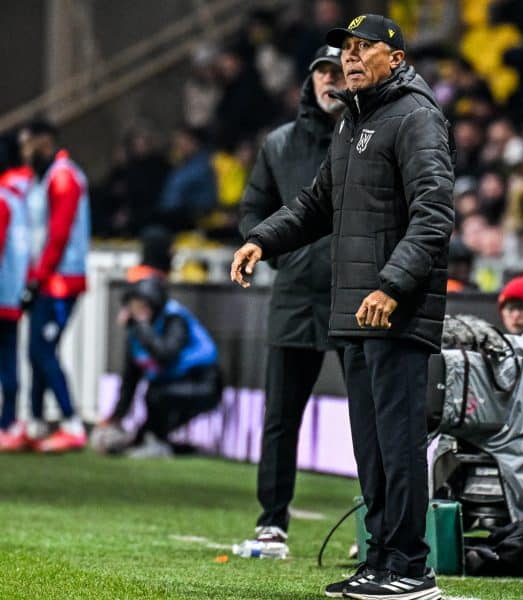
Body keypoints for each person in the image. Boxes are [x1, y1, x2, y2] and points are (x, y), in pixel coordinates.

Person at [231, 14, 452, 600]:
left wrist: (393, 285)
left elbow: (434, 215)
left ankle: (411, 568)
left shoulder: (415, 118)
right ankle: (380, 559)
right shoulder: (357, 122)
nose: (351, 59)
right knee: (372, 446)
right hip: (355, 310)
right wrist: (262, 240)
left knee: (399, 443)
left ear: (396, 59)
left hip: (392, 311)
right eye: (346, 50)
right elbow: (313, 205)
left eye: (364, 49)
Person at [233, 45, 346, 556]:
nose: (331, 80)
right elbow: (252, 209)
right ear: (309, 80)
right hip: (297, 295)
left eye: (340, 71)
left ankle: (379, 525)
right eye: (322, 70)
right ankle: (271, 521)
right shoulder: (279, 144)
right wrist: (283, 258)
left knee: (371, 418)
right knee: (281, 416)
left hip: (357, 295)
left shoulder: (370, 137)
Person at [18, 120, 90, 453]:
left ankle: (72, 423)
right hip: (48, 278)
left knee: (42, 351)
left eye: (28, 144)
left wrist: (38, 277)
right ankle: (34, 422)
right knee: (36, 352)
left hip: (60, 281)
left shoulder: (63, 178)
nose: (24, 152)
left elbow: (58, 234)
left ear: (44, 141)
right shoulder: (45, 177)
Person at [98, 277, 222, 458]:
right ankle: (158, 442)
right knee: (141, 431)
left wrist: (142, 327)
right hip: (170, 386)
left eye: (140, 305)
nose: (134, 310)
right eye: (132, 305)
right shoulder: (137, 334)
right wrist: (115, 417)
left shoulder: (174, 319)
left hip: (204, 384)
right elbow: (130, 381)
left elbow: (166, 355)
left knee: (155, 395)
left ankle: (158, 441)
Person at [0, 159, 30, 450]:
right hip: (12, 295)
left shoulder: (2, 199)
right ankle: (8, 423)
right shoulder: (19, 198)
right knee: (9, 362)